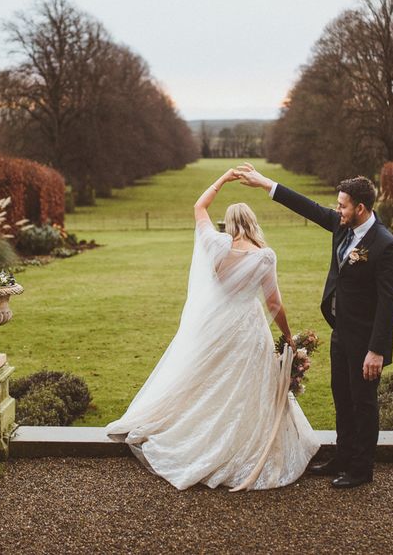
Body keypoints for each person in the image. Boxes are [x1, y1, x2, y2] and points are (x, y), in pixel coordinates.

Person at [105, 168, 320, 491]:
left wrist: (222, 180)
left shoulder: (215, 246)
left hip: (218, 327)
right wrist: (288, 336)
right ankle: (242, 444)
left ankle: (202, 440)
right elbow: (274, 305)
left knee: (211, 384)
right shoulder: (265, 257)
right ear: (252, 222)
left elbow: (198, 207)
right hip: (249, 328)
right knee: (248, 388)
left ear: (231, 224)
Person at [237, 163, 393, 488]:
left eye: (342, 205)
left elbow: (389, 303)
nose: (337, 209)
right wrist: (264, 184)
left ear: (361, 208)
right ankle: (342, 456)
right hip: (341, 332)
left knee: (363, 402)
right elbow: (307, 207)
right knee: (341, 396)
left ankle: (360, 469)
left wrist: (376, 350)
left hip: (367, 341)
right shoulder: (343, 226)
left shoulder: (386, 245)